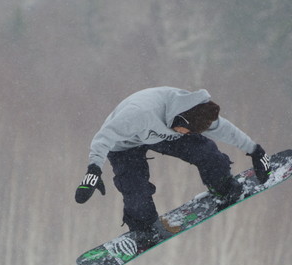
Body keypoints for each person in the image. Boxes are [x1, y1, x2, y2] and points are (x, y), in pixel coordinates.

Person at [75, 86, 270, 244]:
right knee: (135, 188)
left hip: (163, 135)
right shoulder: (139, 113)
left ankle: (223, 187)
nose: (187, 133)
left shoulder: (196, 113)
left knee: (206, 151)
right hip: (124, 144)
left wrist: (255, 150)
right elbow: (103, 138)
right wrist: (94, 169)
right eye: (186, 130)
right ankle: (144, 227)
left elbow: (226, 130)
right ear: (180, 119)